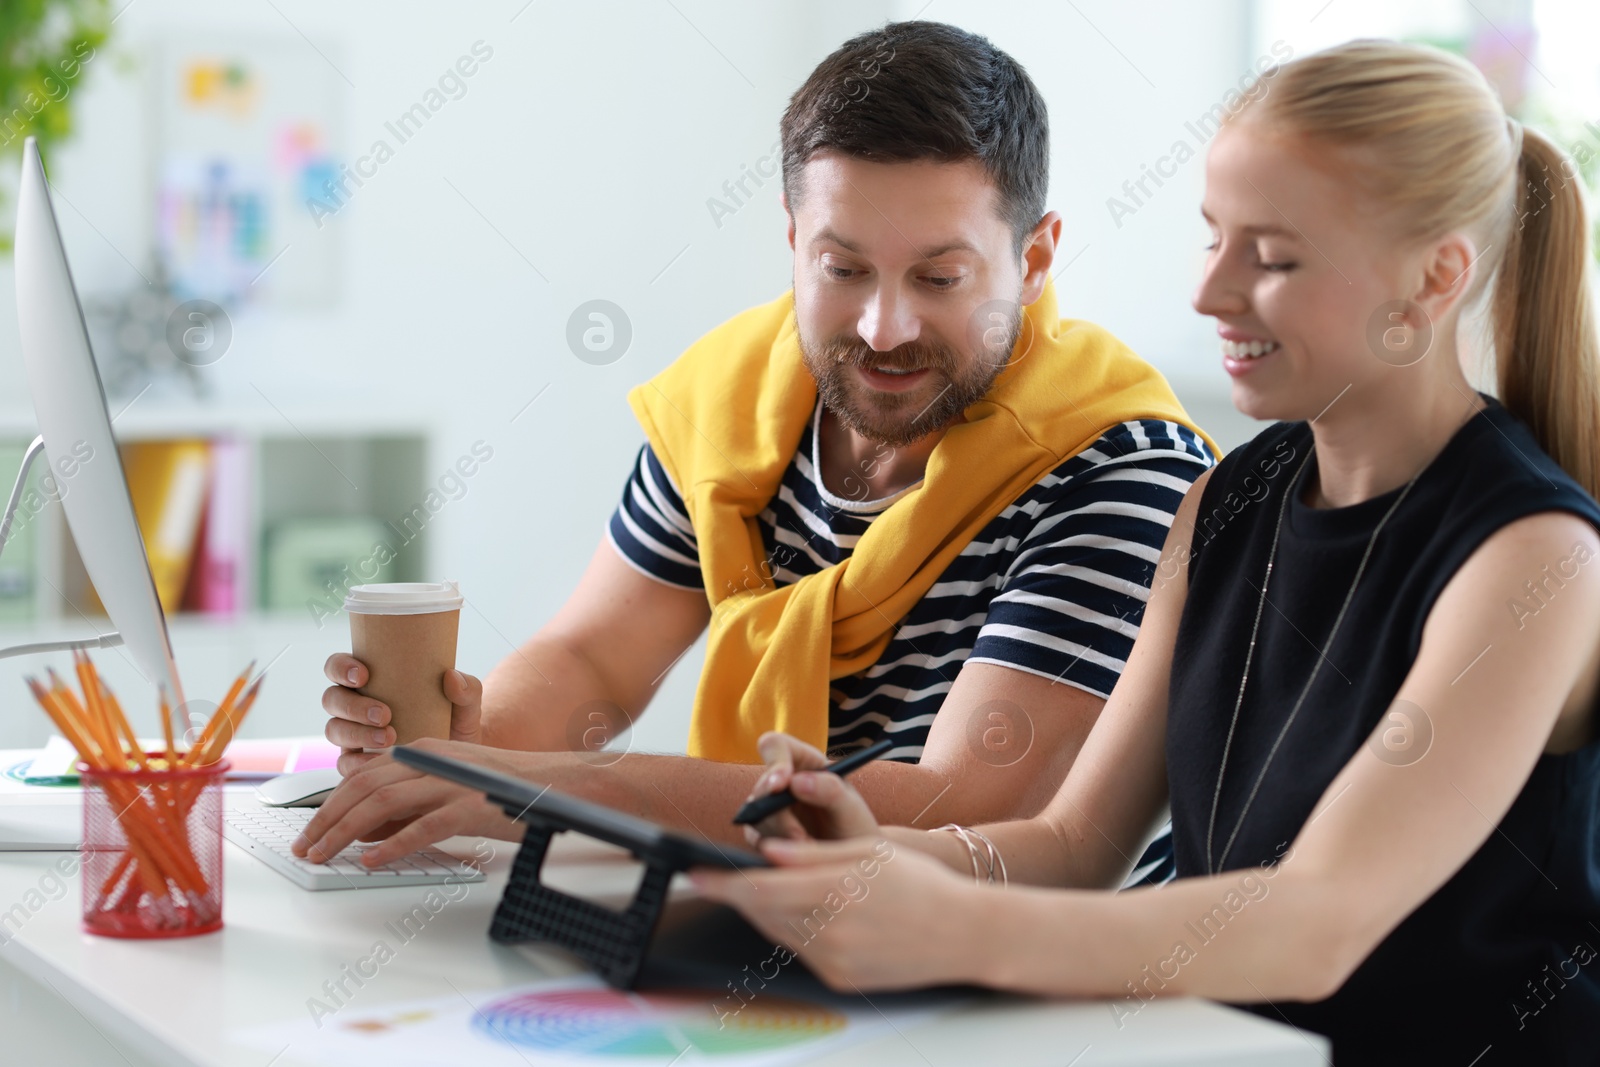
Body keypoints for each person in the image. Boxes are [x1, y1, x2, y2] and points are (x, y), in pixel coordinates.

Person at [693, 39, 1600, 1066]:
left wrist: (948, 924)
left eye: (1274, 255)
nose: (1210, 293)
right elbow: (1075, 847)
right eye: (1211, 238)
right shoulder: (1228, 497)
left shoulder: (1534, 557)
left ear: (1434, 278)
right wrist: (869, 851)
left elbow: (1316, 923)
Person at [293, 23, 1217, 871]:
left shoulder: (1122, 467)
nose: (884, 327)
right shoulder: (733, 402)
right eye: (842, 268)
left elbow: (964, 808)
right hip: (764, 924)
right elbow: (593, 663)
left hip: (1021, 995)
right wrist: (462, 743)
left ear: (1037, 259)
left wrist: (547, 790)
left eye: (939, 276)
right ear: (792, 240)